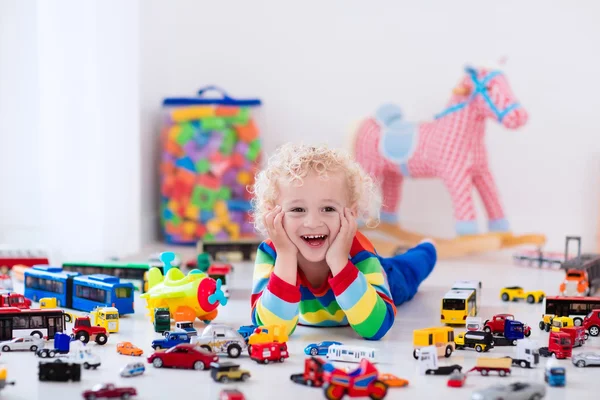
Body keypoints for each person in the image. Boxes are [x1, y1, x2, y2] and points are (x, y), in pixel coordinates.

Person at [248, 143, 437, 340]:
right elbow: (271, 330)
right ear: (272, 213)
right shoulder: (272, 253)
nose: (312, 223)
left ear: (352, 213)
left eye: (328, 209)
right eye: (297, 210)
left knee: (408, 270)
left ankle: (427, 248)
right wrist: (286, 256)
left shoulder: (358, 252)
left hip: (374, 285)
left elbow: (376, 328)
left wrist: (339, 261)